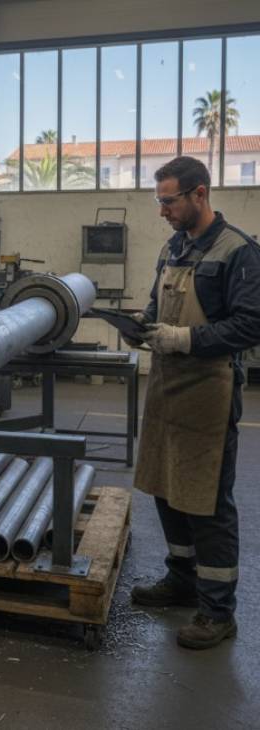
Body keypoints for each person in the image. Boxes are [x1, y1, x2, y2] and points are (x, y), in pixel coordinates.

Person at [126, 156, 260, 649]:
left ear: (199, 195)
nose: (162, 210)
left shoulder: (238, 252)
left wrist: (182, 338)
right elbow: (158, 305)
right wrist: (142, 326)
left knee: (207, 503)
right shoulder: (173, 246)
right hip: (166, 388)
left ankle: (218, 611)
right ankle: (181, 579)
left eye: (169, 200)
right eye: (158, 200)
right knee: (166, 486)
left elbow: (251, 326)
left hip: (209, 391)